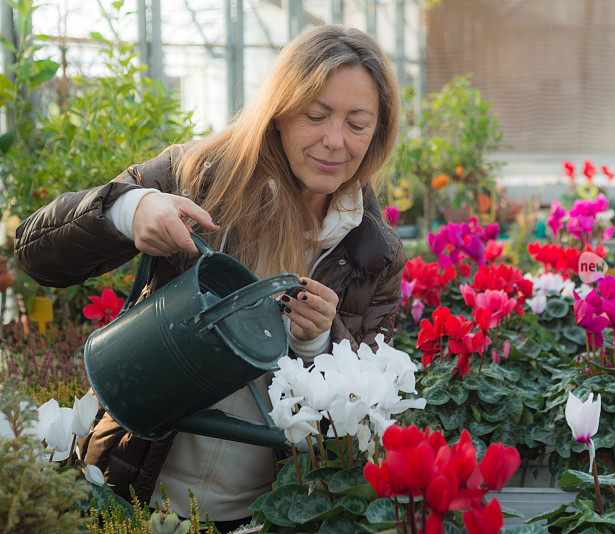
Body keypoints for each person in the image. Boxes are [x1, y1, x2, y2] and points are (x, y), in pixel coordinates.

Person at [14, 25, 405, 530]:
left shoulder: (373, 254)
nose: (335, 142)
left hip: (260, 515)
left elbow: (367, 415)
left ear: (378, 132)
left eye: (358, 124)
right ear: (280, 113)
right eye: (315, 115)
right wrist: (128, 210)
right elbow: (35, 254)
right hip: (135, 490)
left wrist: (320, 343)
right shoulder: (201, 177)